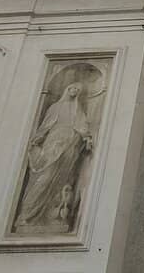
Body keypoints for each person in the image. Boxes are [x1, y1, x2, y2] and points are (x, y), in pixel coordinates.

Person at [15, 83, 93, 230]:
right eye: (72, 88)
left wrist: (86, 137)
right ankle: (26, 215)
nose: (74, 91)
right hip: (53, 143)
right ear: (66, 89)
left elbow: (83, 128)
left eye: (77, 89)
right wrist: (37, 139)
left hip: (70, 145)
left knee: (61, 181)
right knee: (44, 177)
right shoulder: (55, 107)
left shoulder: (78, 110)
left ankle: (53, 216)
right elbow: (45, 126)